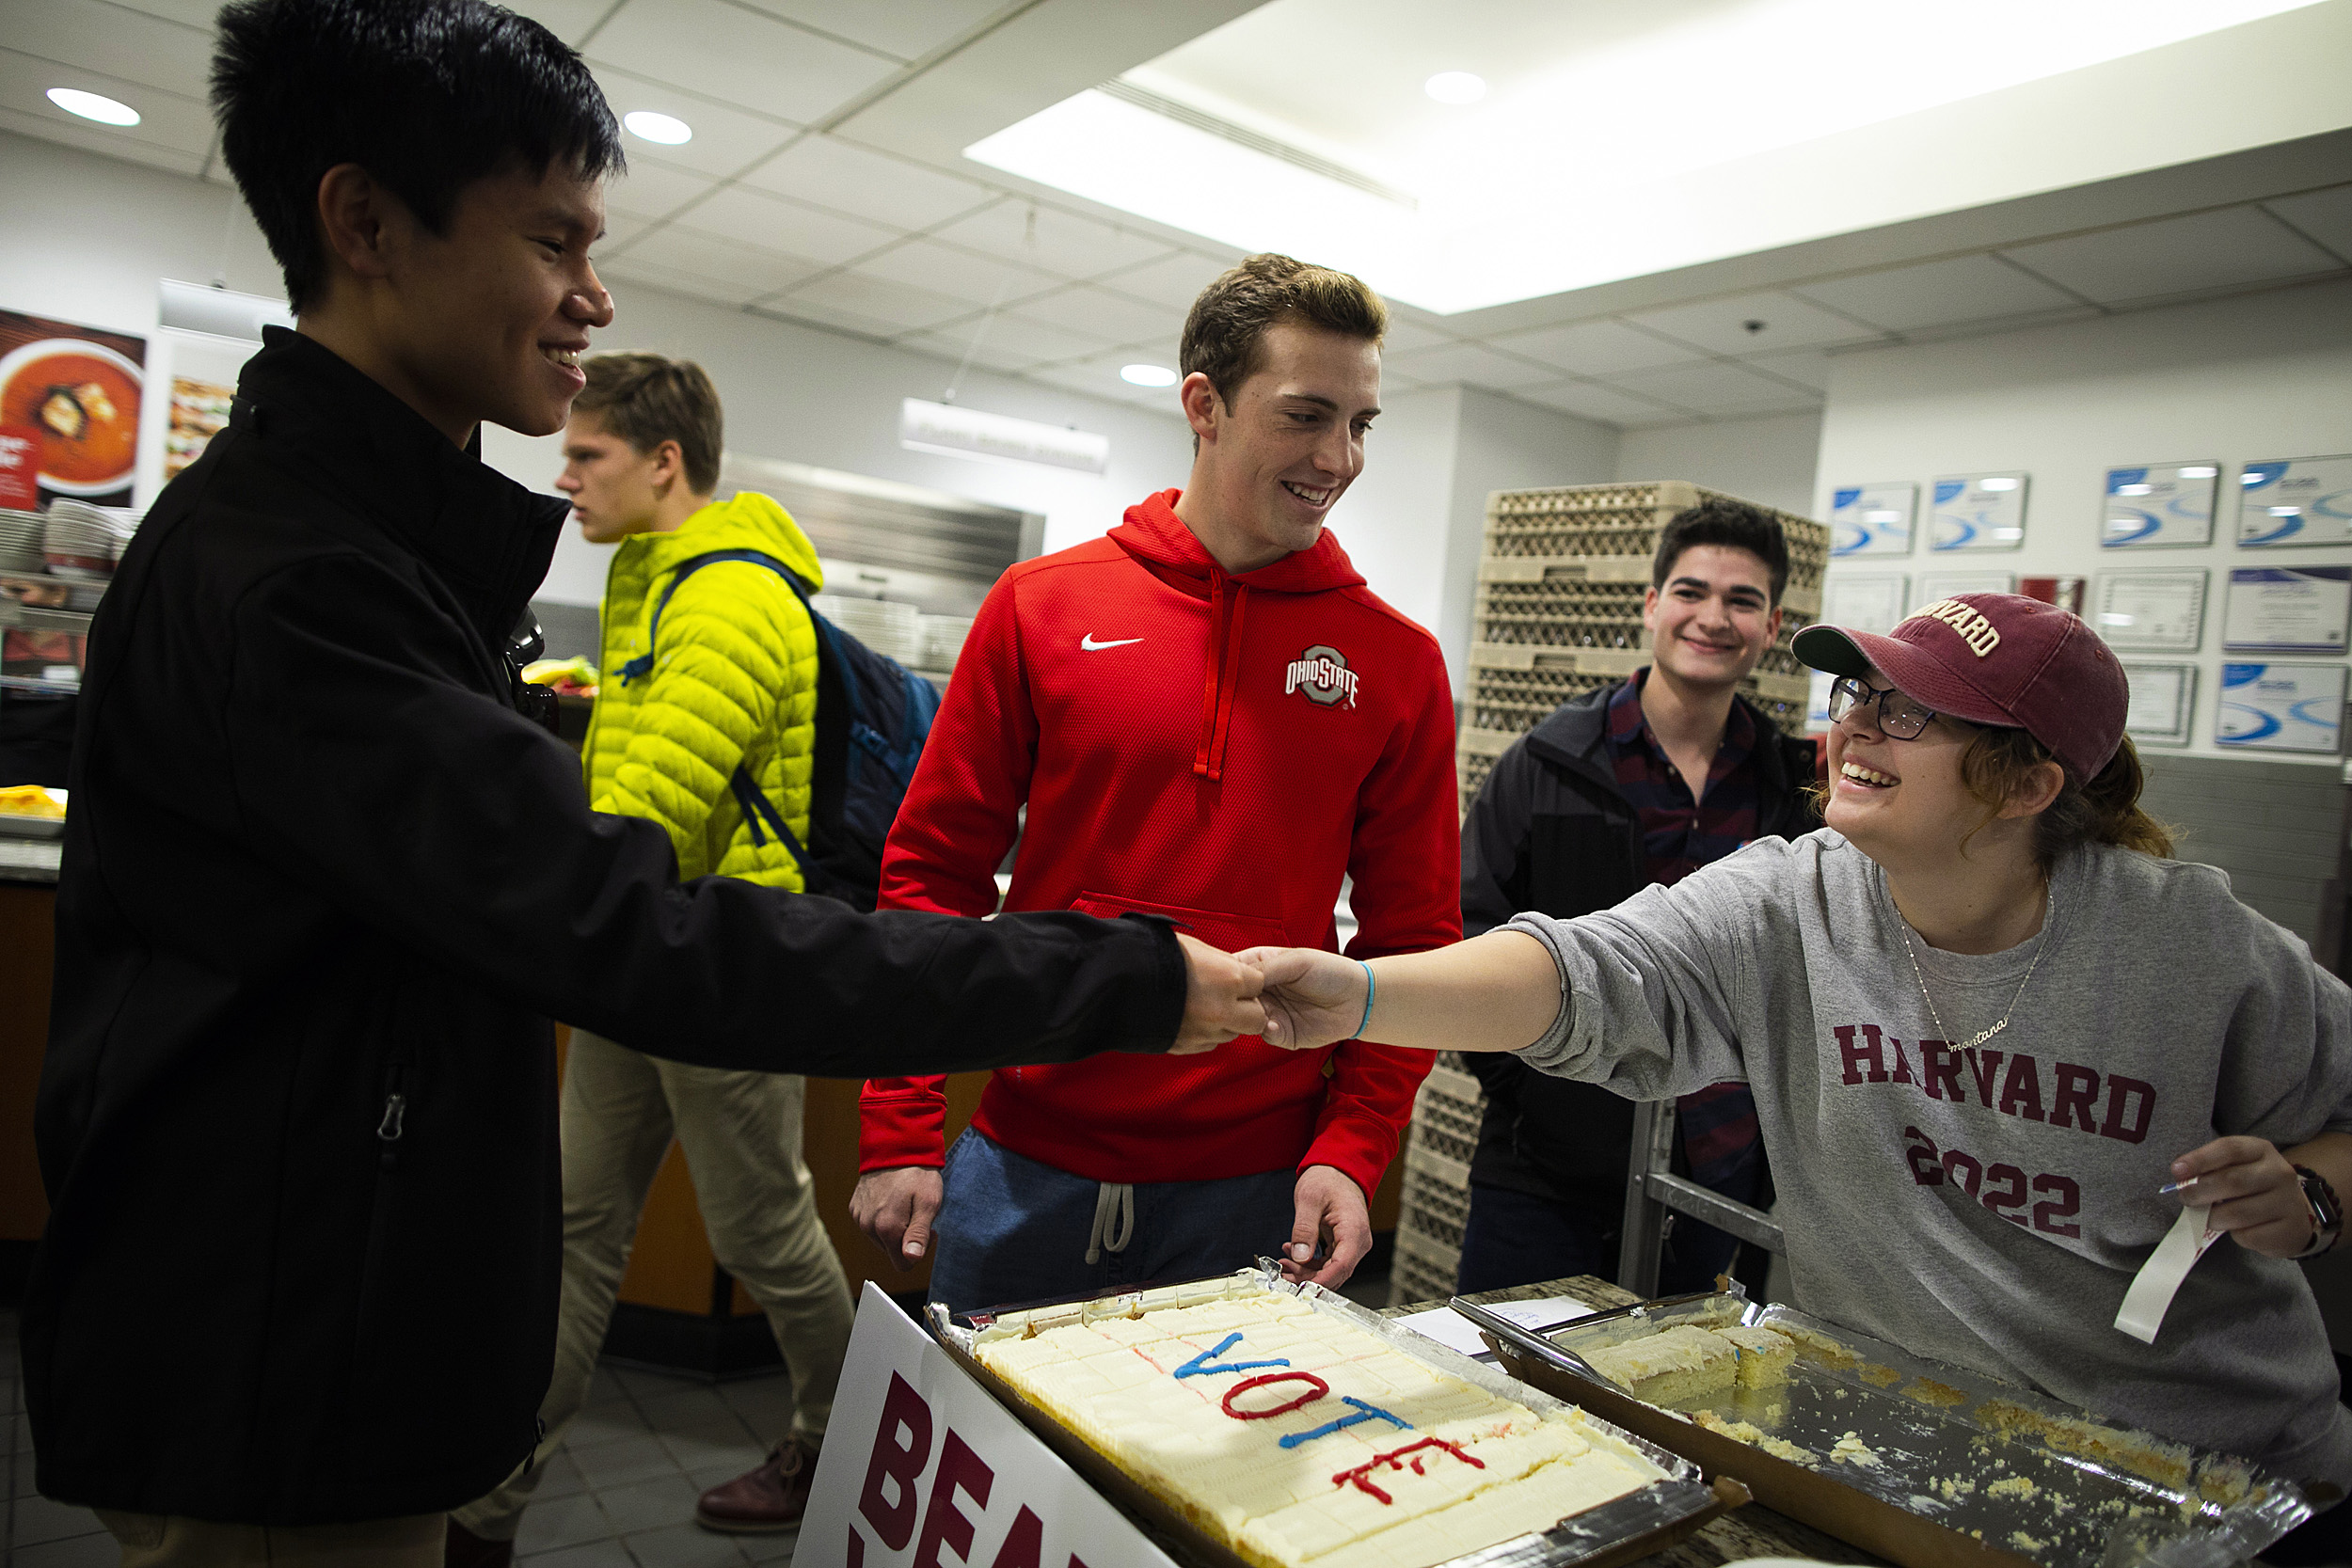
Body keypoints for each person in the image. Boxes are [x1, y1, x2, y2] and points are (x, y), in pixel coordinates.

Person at [24, 4, 1266, 1562]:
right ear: (366, 221)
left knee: (706, 1226)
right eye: (553, 241)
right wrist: (1130, 970)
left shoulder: (367, 548)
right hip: (280, 1354)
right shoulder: (301, 578)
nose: (591, 298)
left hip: (304, 1309)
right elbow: (633, 914)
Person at [1247, 592, 2352, 1552]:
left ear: (2025, 784)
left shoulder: (2185, 943)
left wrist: (2310, 1190)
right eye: (1856, 692)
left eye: (1908, 709)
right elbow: (1583, 968)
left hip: (2203, 1475)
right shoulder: (1797, 896)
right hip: (1893, 1445)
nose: (1857, 721)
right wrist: (1363, 996)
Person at [851, 254, 1461, 1309]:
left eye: (1361, 423)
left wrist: (1353, 1144)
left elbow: (1410, 939)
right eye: (1306, 416)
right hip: (1020, 1163)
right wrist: (901, 1119)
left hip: (1260, 1187)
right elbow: (932, 874)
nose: (1339, 457)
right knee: (998, 1460)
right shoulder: (1039, 604)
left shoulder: (1396, 662)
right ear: (1203, 404)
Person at [445, 355, 848, 1560]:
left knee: (764, 1234)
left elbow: (647, 817)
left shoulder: (729, 598)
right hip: (643, 962)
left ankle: (836, 1437)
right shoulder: (653, 582)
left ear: (663, 461)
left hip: (723, 971)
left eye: (587, 455)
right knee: (570, 1226)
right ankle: (488, 1505)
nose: (562, 477)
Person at [1457, 498, 1816, 1294]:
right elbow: (1472, 933)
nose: (1713, 617)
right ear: (1652, 604)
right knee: (1505, 1398)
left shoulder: (1788, 788)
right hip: (1543, 1177)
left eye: (1742, 600)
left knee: (1664, 1401)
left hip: (1716, 1177)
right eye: (1691, 591)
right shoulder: (1548, 764)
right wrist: (1544, 1106)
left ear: (1771, 624)